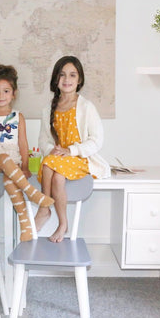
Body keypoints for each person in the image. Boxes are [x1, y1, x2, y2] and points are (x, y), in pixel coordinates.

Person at [0, 64, 54, 242]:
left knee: (9, 179)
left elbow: (22, 143)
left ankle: (26, 226)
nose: (0, 95)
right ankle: (31, 192)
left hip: (11, 161)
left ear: (13, 94)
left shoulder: (18, 116)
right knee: (3, 158)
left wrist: (25, 166)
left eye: (6, 91)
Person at [35, 56, 111, 243]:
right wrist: (51, 150)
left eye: (72, 75)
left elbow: (96, 140)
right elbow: (43, 139)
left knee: (48, 166)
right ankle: (63, 223)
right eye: (62, 75)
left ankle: (45, 208)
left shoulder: (86, 107)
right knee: (57, 175)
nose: (67, 80)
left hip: (80, 159)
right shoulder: (48, 109)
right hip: (58, 161)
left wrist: (72, 151)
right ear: (55, 80)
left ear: (80, 80)